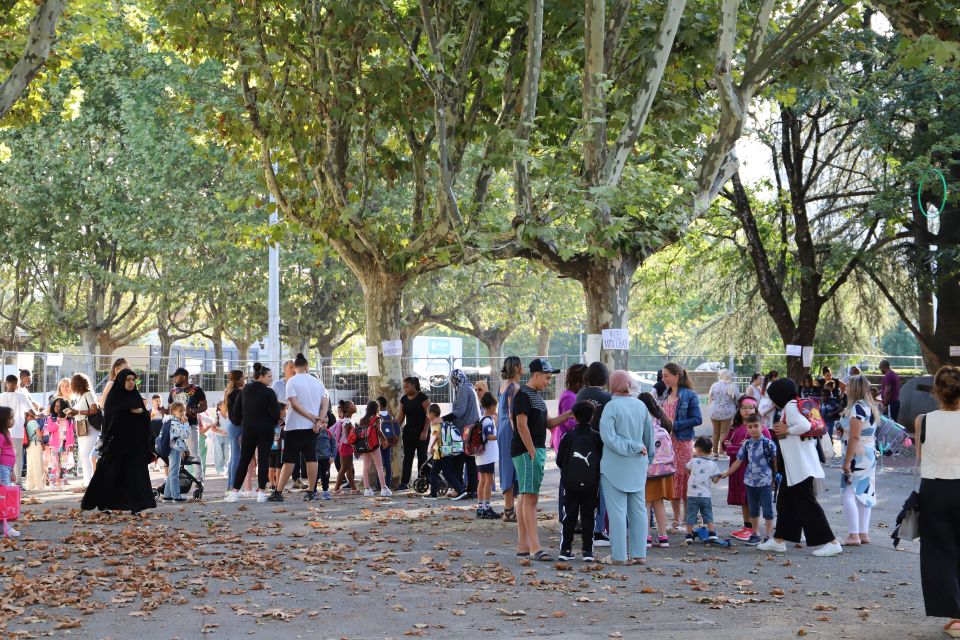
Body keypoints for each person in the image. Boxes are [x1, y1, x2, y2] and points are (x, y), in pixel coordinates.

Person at [757, 378, 842, 557]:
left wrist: (787, 429)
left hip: (799, 466)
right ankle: (779, 540)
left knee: (807, 504)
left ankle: (831, 541)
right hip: (796, 466)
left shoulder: (790, 406)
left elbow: (804, 425)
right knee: (785, 502)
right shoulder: (795, 403)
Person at [915, 365, 960, 636]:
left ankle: (956, 617)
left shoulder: (924, 420)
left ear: (936, 392)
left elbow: (920, 457)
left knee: (939, 554)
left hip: (934, 489)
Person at [513, 358, 572, 562]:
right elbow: (521, 425)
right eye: (547, 378)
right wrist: (531, 451)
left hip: (533, 450)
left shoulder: (536, 396)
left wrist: (569, 414)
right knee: (531, 498)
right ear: (535, 375)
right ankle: (535, 548)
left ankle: (524, 545)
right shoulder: (523, 395)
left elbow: (548, 423)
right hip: (528, 451)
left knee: (525, 497)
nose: (549, 381)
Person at [597, 370, 654, 564]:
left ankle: (619, 556)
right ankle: (639, 555)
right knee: (638, 510)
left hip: (614, 467)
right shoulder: (641, 406)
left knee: (617, 512)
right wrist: (645, 457)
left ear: (612, 385)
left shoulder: (611, 407)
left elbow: (608, 438)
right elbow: (649, 438)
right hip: (638, 464)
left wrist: (630, 447)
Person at [81, 369, 156, 515]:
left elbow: (145, 419)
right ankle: (102, 503)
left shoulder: (136, 397)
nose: (131, 382)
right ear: (122, 381)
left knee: (135, 474)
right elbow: (110, 417)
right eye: (128, 380)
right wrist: (127, 410)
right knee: (110, 473)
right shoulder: (114, 397)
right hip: (116, 444)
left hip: (134, 445)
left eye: (133, 380)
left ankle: (137, 506)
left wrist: (141, 413)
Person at [271, 353, 328, 502]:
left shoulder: (292, 381)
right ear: (307, 366)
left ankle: (278, 492)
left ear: (294, 368)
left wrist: (313, 418)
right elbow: (325, 403)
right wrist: (318, 420)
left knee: (289, 460)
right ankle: (311, 491)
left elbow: (294, 405)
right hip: (313, 428)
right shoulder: (317, 382)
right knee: (311, 458)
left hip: (295, 426)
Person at [716, 414, 777, 545]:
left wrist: (774, 477)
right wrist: (727, 473)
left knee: (767, 510)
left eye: (756, 426)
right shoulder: (747, 445)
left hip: (765, 482)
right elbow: (739, 460)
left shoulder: (769, 444)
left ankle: (768, 536)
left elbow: (775, 461)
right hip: (750, 482)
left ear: (762, 426)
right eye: (750, 427)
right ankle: (755, 534)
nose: (753, 429)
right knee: (753, 509)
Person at [225, 363, 281, 504]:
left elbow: (236, 413)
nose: (271, 379)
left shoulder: (244, 390)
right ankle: (261, 493)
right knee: (263, 460)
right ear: (261, 376)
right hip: (265, 430)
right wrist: (270, 423)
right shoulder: (269, 392)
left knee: (244, 460)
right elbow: (275, 414)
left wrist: (244, 422)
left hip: (248, 429)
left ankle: (235, 492)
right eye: (269, 377)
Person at [557, 400, 603, 561]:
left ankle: (565, 549)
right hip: (591, 484)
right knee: (588, 516)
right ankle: (587, 551)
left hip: (570, 484)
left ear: (574, 417)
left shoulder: (568, 436)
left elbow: (559, 460)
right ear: (591, 417)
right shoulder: (597, 437)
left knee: (569, 515)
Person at [659, 362, 702, 533]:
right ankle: (676, 520)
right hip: (668, 444)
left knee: (684, 479)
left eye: (666, 375)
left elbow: (697, 419)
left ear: (677, 376)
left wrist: (675, 425)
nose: (664, 379)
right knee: (674, 480)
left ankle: (687, 520)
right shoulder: (665, 394)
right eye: (663, 375)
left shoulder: (689, 395)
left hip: (683, 442)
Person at [575, 361, 614, 547]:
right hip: (601, 446)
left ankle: (587, 526)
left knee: (586, 488)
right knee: (602, 489)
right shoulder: (608, 397)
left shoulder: (581, 394)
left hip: (582, 444)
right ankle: (599, 530)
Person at [723, 396, 771, 541]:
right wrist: (727, 444)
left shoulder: (761, 428)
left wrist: (732, 447)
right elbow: (726, 445)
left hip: (752, 469)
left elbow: (766, 447)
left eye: (750, 407)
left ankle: (754, 529)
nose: (747, 410)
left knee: (750, 498)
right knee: (741, 498)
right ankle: (747, 525)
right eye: (744, 407)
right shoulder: (735, 426)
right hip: (736, 467)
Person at [840, 375, 879, 546]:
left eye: (848, 385)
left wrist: (847, 461)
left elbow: (854, 436)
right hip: (869, 453)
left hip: (858, 454)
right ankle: (863, 532)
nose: (846, 388)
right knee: (865, 491)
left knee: (848, 493)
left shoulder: (856, 408)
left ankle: (853, 535)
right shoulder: (871, 406)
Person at [639, 392, 674, 549]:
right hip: (663, 469)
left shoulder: (640, 418)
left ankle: (645, 537)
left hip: (647, 469)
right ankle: (663, 536)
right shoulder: (661, 417)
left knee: (645, 503)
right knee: (659, 503)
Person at [554, 363, 587, 519]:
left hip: (571, 444)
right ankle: (566, 516)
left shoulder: (571, 395)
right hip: (568, 445)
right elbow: (570, 421)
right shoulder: (569, 396)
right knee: (568, 483)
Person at [168, 367, 208, 482]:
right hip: (175, 427)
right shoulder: (173, 392)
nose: (174, 379)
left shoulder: (196, 389)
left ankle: (199, 480)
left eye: (176, 377)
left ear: (184, 376)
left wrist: (193, 411)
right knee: (176, 454)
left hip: (191, 425)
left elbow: (204, 406)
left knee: (194, 453)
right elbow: (170, 407)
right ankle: (177, 480)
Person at [446, 369, 478, 501]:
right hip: (470, 429)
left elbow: (460, 410)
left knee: (457, 460)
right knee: (470, 461)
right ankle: (471, 490)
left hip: (466, 430)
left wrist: (443, 418)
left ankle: (459, 489)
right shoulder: (468, 387)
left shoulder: (463, 389)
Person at [497, 357, 522, 522]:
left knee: (507, 467)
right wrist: (519, 434)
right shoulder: (513, 387)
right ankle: (508, 509)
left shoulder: (503, 386)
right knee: (511, 468)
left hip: (502, 428)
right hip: (510, 430)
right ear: (517, 367)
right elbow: (513, 414)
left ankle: (509, 508)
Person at [683, 437, 720, 544]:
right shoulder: (713, 464)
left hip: (692, 495)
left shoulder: (693, 461)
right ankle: (712, 533)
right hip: (705, 496)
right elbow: (715, 480)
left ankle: (689, 535)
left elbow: (686, 469)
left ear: (698, 450)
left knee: (691, 515)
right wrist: (719, 476)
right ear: (711, 451)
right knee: (708, 514)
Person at [425, 403, 466, 500]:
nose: (427, 415)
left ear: (433, 414)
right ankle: (460, 490)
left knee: (435, 473)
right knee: (445, 472)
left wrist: (432, 446)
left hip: (440, 452)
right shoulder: (444, 422)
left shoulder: (434, 423)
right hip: (447, 451)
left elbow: (438, 436)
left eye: (428, 413)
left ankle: (434, 494)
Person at [396, 377, 430, 491]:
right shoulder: (403, 399)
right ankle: (404, 482)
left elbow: (429, 416)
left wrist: (425, 431)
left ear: (414, 385)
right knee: (408, 458)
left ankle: (422, 481)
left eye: (407, 386)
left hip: (422, 432)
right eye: (404, 387)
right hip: (408, 433)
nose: (405, 389)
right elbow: (401, 417)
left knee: (422, 457)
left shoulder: (423, 397)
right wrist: (393, 429)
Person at [0, 374, 33, 484]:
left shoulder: (1, 396)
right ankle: (17, 481)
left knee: (4, 454)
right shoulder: (21, 396)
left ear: (6, 383)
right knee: (17, 456)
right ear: (17, 383)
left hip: (3, 430)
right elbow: (31, 410)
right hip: (17, 430)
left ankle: (6, 480)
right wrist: (39, 414)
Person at [356, 401, 390, 498]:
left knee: (365, 467)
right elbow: (379, 431)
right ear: (376, 409)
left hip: (365, 446)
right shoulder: (377, 418)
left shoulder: (362, 420)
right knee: (379, 467)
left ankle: (367, 489)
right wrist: (384, 440)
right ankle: (384, 488)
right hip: (374, 446)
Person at [474, 392, 500, 519]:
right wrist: (500, 436)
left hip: (480, 455)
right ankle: (487, 508)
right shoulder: (488, 421)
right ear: (491, 407)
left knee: (482, 480)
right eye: (495, 406)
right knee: (489, 481)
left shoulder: (481, 419)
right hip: (488, 455)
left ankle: (480, 507)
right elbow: (490, 436)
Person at [222, 370, 245, 494]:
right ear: (238, 379)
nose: (244, 380)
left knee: (234, 457)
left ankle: (230, 486)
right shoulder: (238, 393)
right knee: (237, 457)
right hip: (236, 425)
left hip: (230, 424)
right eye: (243, 378)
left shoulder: (229, 392)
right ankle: (233, 487)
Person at [162, 402, 191, 502]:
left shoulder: (173, 421)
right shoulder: (175, 422)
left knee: (172, 472)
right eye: (180, 411)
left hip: (174, 448)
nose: (183, 413)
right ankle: (176, 496)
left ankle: (167, 495)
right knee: (174, 473)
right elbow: (185, 435)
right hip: (175, 449)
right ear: (173, 411)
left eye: (184, 410)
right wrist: (186, 423)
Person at [707, 369, 738, 458]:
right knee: (724, 432)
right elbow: (737, 398)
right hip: (727, 411)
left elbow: (711, 396)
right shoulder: (732, 386)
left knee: (715, 432)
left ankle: (714, 452)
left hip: (714, 410)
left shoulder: (715, 385)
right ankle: (722, 451)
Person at [0, 407, 19, 537]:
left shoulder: (7, 434)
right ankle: (4, 525)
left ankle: (3, 524)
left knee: (4, 497)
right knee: (3, 499)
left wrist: (12, 471)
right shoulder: (1, 436)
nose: (13, 420)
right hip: (2, 469)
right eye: (11, 418)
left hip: (7, 469)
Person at [332, 400, 357, 493]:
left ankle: (354, 489)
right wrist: (353, 445)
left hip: (347, 446)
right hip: (346, 446)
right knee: (344, 468)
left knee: (349, 468)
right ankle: (336, 489)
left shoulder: (348, 420)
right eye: (353, 405)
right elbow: (348, 436)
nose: (355, 406)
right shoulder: (347, 422)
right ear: (347, 409)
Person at [376, 396, 399, 490]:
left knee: (379, 464)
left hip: (378, 442)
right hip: (389, 441)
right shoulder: (390, 414)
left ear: (378, 405)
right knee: (388, 463)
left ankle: (379, 485)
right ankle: (388, 484)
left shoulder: (376, 416)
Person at [314, 414, 336, 500]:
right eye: (322, 422)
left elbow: (334, 446)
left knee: (326, 476)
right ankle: (313, 490)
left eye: (326, 423)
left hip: (326, 459)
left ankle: (325, 491)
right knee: (315, 475)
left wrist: (333, 456)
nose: (324, 424)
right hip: (316, 459)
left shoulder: (329, 433)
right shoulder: (315, 432)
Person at [24, 411, 45, 491]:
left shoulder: (26, 423)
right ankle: (39, 486)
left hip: (28, 445)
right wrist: (43, 443)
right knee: (37, 465)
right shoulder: (33, 422)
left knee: (30, 466)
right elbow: (38, 434)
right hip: (35, 444)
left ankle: (30, 485)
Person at [268, 404, 286, 490]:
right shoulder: (280, 421)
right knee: (275, 468)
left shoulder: (272, 421)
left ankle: (275, 484)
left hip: (275, 448)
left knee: (275, 468)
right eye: (285, 410)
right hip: (275, 448)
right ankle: (275, 484)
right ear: (281, 411)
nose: (285, 412)